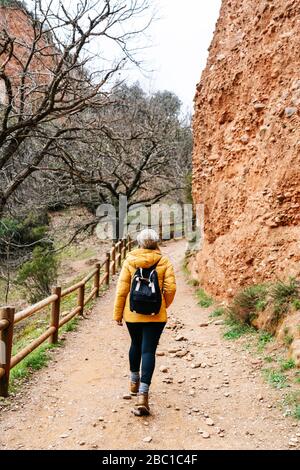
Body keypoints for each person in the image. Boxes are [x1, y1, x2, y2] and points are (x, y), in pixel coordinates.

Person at [113, 228, 176, 416]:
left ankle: (134, 382)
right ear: (156, 243)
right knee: (149, 350)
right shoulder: (163, 260)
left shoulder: (130, 260)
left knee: (135, 344)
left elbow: (122, 289)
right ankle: (143, 395)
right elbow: (171, 288)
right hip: (156, 315)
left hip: (132, 314)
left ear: (139, 243)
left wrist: (118, 314)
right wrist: (162, 304)